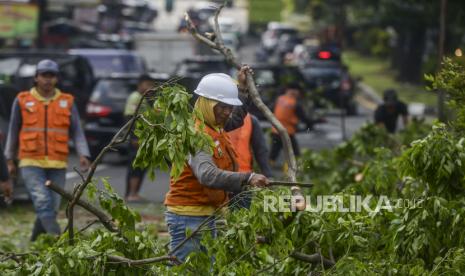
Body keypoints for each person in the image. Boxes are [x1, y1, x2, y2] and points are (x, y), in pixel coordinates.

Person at [164, 67, 269, 263]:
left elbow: (236, 118)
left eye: (229, 106)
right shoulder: (196, 134)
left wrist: (244, 89)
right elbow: (207, 174)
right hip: (188, 218)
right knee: (187, 271)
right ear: (205, 104)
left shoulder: (214, 126)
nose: (227, 112)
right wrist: (247, 177)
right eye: (221, 106)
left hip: (203, 214)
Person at [4, 59, 91, 241]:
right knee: (42, 202)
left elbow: (77, 131)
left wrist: (84, 153)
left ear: (57, 79)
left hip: (57, 163)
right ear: (36, 77)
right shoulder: (22, 100)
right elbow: (13, 130)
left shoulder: (67, 102)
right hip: (30, 161)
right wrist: (9, 160)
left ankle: (34, 243)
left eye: (51, 76)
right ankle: (57, 240)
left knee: (51, 207)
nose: (48, 80)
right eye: (44, 75)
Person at [227, 112, 273, 209]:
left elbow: (260, 150)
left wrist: (268, 174)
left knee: (242, 216)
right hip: (221, 179)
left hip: (245, 180)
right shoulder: (215, 117)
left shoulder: (251, 120)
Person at [123, 74, 154, 202]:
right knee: (135, 166)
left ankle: (135, 193)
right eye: (147, 84)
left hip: (144, 139)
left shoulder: (144, 99)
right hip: (137, 140)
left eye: (151, 85)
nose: (150, 87)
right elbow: (131, 119)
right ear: (140, 85)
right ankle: (130, 194)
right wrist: (135, 138)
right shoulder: (135, 97)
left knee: (142, 166)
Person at [269, 83, 314, 163]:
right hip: (287, 132)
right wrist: (313, 122)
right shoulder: (294, 103)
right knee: (294, 154)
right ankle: (291, 171)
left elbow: (271, 110)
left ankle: (267, 169)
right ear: (295, 92)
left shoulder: (279, 99)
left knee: (274, 152)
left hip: (275, 130)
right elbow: (304, 118)